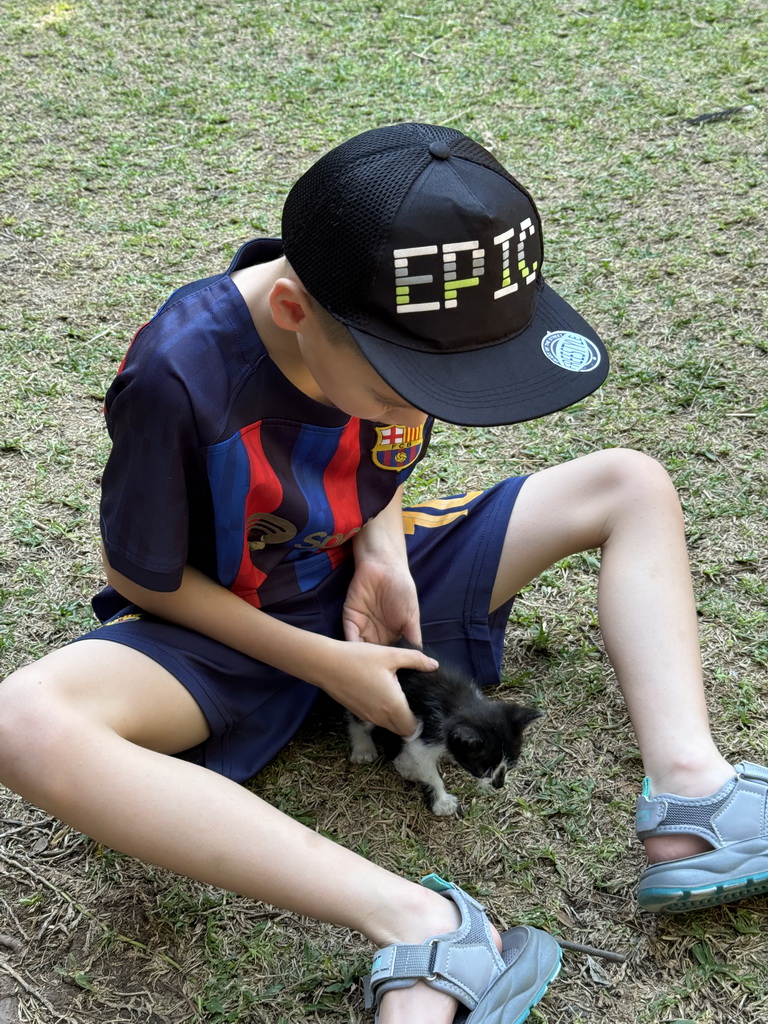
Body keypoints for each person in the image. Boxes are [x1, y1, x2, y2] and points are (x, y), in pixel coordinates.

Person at [1, 122, 766, 1023]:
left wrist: (383, 554)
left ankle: (695, 796)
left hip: (370, 607)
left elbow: (381, 463)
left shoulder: (394, 322)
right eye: (404, 387)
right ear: (294, 312)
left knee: (628, 482)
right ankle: (428, 927)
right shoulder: (179, 374)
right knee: (23, 722)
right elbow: (139, 576)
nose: (423, 409)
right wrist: (324, 664)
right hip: (220, 633)